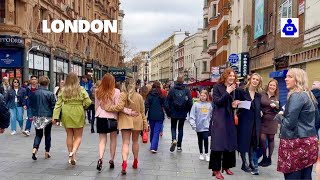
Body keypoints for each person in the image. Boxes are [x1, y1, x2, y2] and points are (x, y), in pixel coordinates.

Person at [274, 68, 319, 180]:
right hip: (309, 142)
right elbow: (316, 119)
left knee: (292, 176)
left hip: (295, 143)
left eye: (289, 76)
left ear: (298, 79)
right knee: (306, 176)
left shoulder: (297, 95)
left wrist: (280, 116)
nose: (285, 79)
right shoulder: (309, 94)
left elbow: (289, 124)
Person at [102, 80, 148, 174]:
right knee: (135, 142)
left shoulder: (123, 95)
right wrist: (145, 124)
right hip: (137, 120)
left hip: (126, 121)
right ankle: (135, 161)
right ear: (134, 85)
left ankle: (124, 163)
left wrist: (107, 107)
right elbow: (142, 112)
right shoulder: (139, 96)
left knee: (125, 143)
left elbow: (119, 107)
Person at [52, 72, 92, 165]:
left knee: (69, 134)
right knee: (78, 136)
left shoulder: (63, 90)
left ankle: (71, 157)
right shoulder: (81, 89)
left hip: (66, 111)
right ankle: (73, 152)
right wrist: (83, 106)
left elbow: (58, 104)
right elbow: (88, 101)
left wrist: (55, 116)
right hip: (78, 111)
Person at [209, 68, 238, 179]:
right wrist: (228, 92)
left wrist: (235, 104)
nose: (232, 78)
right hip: (219, 118)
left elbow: (230, 103)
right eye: (230, 76)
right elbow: (218, 102)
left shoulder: (234, 88)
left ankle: (226, 166)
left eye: (233, 76)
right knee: (218, 143)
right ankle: (216, 169)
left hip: (229, 117)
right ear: (225, 76)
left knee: (229, 141)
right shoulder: (217, 87)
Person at [235, 73, 263, 175]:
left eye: (257, 80)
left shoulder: (259, 95)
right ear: (250, 80)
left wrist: (261, 111)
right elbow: (235, 104)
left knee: (252, 142)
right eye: (253, 79)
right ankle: (244, 162)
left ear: (259, 82)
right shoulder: (241, 91)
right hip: (244, 120)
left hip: (255, 121)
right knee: (243, 140)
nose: (255, 81)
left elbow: (260, 107)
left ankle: (251, 161)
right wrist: (237, 104)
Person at [29, 76, 56, 160]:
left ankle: (34, 149)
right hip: (47, 116)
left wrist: (32, 115)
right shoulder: (50, 94)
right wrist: (55, 117)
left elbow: (32, 105)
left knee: (38, 134)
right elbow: (53, 106)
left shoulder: (34, 93)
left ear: (39, 83)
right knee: (47, 134)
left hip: (37, 116)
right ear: (47, 83)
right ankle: (47, 152)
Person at [166, 77, 192, 152]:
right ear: (183, 81)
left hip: (173, 112)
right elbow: (190, 103)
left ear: (176, 81)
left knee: (173, 127)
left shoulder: (172, 90)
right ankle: (179, 146)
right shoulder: (186, 91)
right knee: (180, 129)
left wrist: (168, 112)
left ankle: (174, 139)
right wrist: (187, 111)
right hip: (182, 113)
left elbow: (167, 102)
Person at [258, 80, 280, 167]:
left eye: (274, 86)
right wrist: (260, 110)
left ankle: (269, 158)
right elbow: (258, 105)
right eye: (271, 85)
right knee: (262, 139)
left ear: (276, 88)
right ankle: (264, 157)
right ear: (268, 86)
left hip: (272, 121)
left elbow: (278, 110)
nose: (272, 87)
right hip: (262, 120)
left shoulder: (276, 98)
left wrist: (275, 108)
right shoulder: (262, 95)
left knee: (271, 139)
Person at [189, 90, 212, 162]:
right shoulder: (196, 104)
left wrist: (211, 123)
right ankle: (201, 153)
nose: (202, 97)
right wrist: (193, 125)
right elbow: (192, 115)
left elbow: (211, 115)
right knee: (200, 139)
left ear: (207, 96)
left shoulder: (209, 105)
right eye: (201, 95)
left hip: (206, 126)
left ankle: (207, 153)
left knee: (206, 138)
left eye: (204, 96)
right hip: (198, 126)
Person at [145, 81, 166, 153]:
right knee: (156, 132)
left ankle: (152, 144)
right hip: (159, 115)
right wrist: (169, 114)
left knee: (152, 130)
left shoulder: (149, 95)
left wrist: (144, 115)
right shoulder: (161, 95)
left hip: (151, 115)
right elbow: (165, 105)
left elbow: (146, 105)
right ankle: (154, 147)